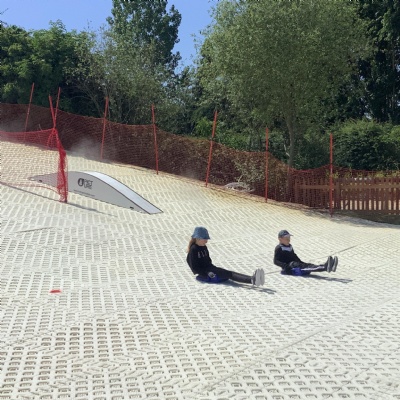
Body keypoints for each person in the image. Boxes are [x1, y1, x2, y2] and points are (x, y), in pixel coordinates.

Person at [186, 226, 265, 286]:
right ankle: (252, 280)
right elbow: (193, 266)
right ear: (198, 238)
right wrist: (206, 273)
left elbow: (208, 261)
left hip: (211, 269)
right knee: (229, 274)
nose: (206, 241)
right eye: (205, 239)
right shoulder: (194, 249)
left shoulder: (204, 247)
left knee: (228, 273)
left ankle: (253, 279)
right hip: (207, 273)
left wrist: (212, 268)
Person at [274, 230, 338, 276]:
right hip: (291, 267)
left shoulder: (289, 246)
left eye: (289, 238)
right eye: (286, 238)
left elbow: (294, 256)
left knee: (308, 265)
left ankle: (329, 266)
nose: (289, 240)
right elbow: (275, 261)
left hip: (295, 264)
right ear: (280, 239)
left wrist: (300, 262)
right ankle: (325, 267)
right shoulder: (279, 248)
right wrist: (285, 266)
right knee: (307, 268)